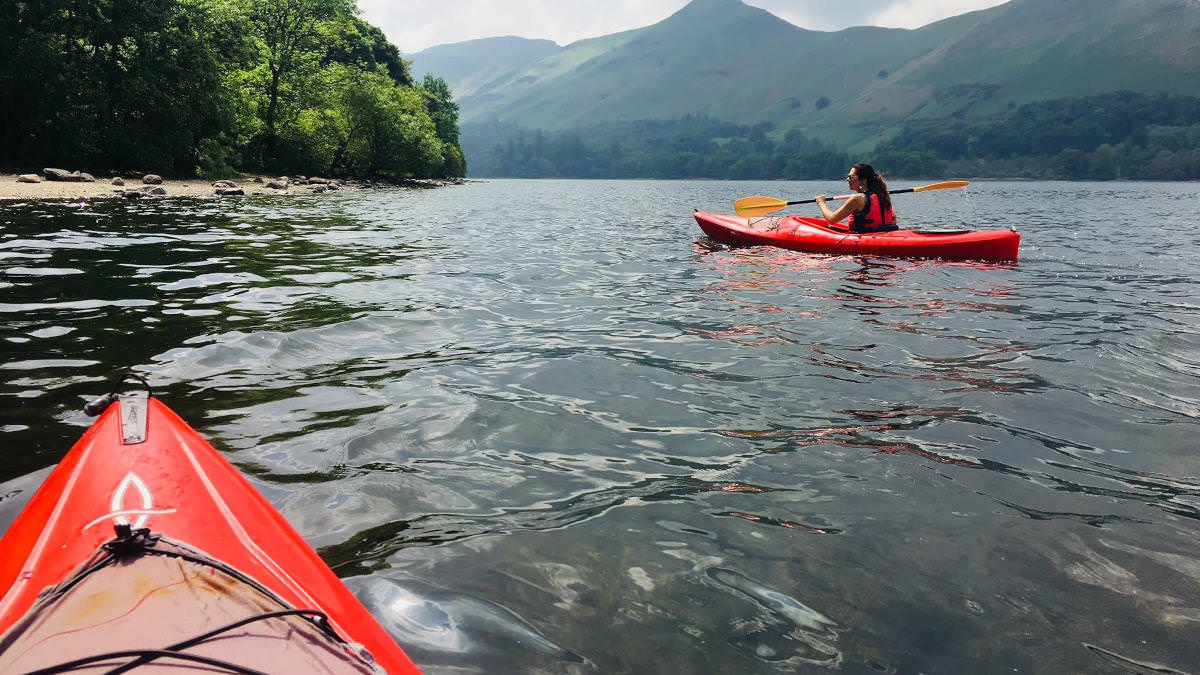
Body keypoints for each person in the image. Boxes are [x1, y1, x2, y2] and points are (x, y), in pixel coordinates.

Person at [815, 163, 898, 233]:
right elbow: (893, 220)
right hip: (881, 234)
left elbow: (831, 219)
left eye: (851, 177)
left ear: (863, 180)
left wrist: (821, 203)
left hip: (867, 237)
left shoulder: (858, 199)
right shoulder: (883, 195)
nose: (847, 179)